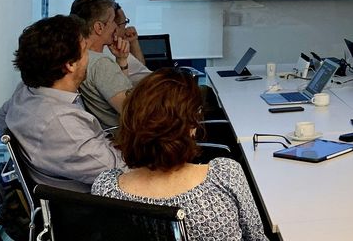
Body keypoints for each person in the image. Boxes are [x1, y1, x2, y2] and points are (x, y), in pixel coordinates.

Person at [92, 69, 268, 241]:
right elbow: (256, 237)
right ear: (192, 125)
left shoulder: (106, 189)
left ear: (130, 120)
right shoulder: (225, 176)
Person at [0, 15, 124, 192]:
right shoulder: (61, 123)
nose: (89, 57)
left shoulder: (26, 91)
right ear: (70, 64)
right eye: (85, 50)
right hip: (94, 201)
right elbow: (120, 171)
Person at [70, 0, 134, 129]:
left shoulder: (75, 56)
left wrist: (122, 60)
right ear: (99, 27)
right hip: (122, 136)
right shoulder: (101, 63)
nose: (116, 26)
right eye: (113, 21)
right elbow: (133, 112)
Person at [110, 2, 151, 84]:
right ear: (115, 27)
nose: (126, 27)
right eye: (124, 23)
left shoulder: (118, 45)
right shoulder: (110, 52)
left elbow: (140, 68)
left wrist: (133, 42)